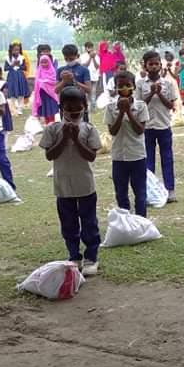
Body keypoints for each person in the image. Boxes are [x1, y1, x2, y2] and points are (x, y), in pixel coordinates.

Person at [39, 85, 102, 276]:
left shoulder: (89, 129)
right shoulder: (53, 129)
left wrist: (76, 139)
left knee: (89, 223)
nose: (74, 113)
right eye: (69, 110)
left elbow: (90, 156)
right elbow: (50, 155)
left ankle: (91, 256)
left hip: (85, 185)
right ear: (61, 109)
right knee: (68, 223)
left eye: (78, 109)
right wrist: (64, 138)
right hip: (63, 186)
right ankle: (74, 255)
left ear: (84, 107)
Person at [104, 70, 149, 217]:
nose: (124, 89)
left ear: (133, 87)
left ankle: (141, 220)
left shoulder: (141, 106)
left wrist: (128, 112)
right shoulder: (110, 108)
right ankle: (126, 221)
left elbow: (140, 130)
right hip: (119, 157)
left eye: (127, 85)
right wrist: (121, 112)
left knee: (140, 192)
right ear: (116, 88)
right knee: (121, 192)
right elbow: (113, 131)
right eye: (120, 86)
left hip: (137, 155)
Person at [136, 50, 178, 203]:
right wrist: (150, 93)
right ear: (146, 66)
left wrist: (159, 94)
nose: (154, 67)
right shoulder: (140, 84)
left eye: (156, 64)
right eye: (150, 64)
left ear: (161, 66)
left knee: (167, 158)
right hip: (147, 127)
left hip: (164, 126)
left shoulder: (168, 83)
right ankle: (151, 191)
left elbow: (171, 105)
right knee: (148, 161)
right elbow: (139, 106)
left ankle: (170, 189)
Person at [56, 44, 93, 121]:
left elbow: (89, 90)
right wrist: (64, 81)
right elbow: (56, 90)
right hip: (65, 106)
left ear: (77, 56)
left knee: (82, 128)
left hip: (80, 104)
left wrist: (75, 81)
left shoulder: (84, 70)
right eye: (66, 59)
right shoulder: (60, 70)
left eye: (71, 58)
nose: (69, 61)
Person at [32, 54, 60, 124]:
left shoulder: (52, 70)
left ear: (49, 62)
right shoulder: (39, 71)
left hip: (50, 95)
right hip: (42, 95)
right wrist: (41, 83)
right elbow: (37, 82)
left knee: (51, 110)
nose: (44, 64)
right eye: (42, 62)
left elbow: (53, 81)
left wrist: (44, 82)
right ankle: (47, 124)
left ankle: (52, 123)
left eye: (46, 62)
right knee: (45, 111)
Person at [3, 41, 30, 115]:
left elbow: (25, 67)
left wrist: (19, 65)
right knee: (12, 92)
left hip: (20, 76)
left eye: (18, 50)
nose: (16, 51)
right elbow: (5, 68)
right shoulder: (8, 58)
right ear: (11, 50)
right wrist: (12, 64)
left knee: (21, 92)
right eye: (14, 50)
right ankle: (14, 108)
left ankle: (20, 108)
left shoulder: (22, 58)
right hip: (12, 76)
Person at [0, 65, 14, 138]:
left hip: (2, 107)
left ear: (0, 75)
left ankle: (4, 144)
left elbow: (4, 96)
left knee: (3, 127)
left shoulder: (4, 84)